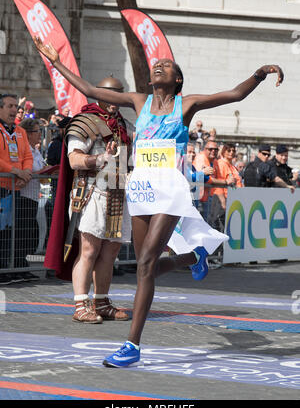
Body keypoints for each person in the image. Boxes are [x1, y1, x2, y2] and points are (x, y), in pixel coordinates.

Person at [33, 35, 283, 367]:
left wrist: (260, 73)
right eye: (155, 65)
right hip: (140, 187)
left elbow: (233, 94)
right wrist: (56, 62)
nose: (157, 66)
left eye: (165, 66)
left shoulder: (188, 104)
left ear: (176, 80)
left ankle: (131, 346)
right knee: (144, 267)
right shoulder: (138, 101)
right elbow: (92, 91)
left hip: (170, 187)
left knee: (148, 262)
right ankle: (193, 256)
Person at [44, 75, 132, 324]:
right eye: (111, 95)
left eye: (118, 95)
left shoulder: (121, 124)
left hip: (117, 192)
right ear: (100, 95)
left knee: (110, 252)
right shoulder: (84, 121)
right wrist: (98, 159)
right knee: (89, 251)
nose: (115, 101)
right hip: (91, 191)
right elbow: (74, 160)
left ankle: (101, 301)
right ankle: (81, 303)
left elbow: (125, 159)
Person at [0, 94, 33, 285]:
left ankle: (9, 267)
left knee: (11, 231)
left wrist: (26, 173)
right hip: (2, 187)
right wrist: (15, 172)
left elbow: (28, 155)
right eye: (10, 106)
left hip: (16, 188)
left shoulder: (20, 131)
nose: (14, 110)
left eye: (15, 106)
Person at [17, 118, 50, 281]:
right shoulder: (24, 149)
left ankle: (23, 265)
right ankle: (17, 266)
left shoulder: (36, 151)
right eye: (37, 131)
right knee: (22, 232)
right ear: (29, 134)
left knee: (29, 232)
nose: (40, 135)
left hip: (34, 196)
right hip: (24, 195)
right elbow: (29, 170)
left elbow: (41, 167)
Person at [193, 140, 235, 221]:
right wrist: (225, 182)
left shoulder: (214, 161)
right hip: (198, 200)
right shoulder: (201, 158)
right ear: (204, 149)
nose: (213, 151)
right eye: (211, 149)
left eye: (216, 150)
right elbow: (204, 179)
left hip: (206, 199)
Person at [209, 143, 243, 231]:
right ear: (223, 152)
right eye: (229, 150)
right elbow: (217, 183)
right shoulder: (220, 163)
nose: (231, 152)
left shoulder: (232, 166)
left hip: (232, 199)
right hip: (222, 200)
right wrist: (223, 201)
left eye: (233, 151)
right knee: (220, 227)